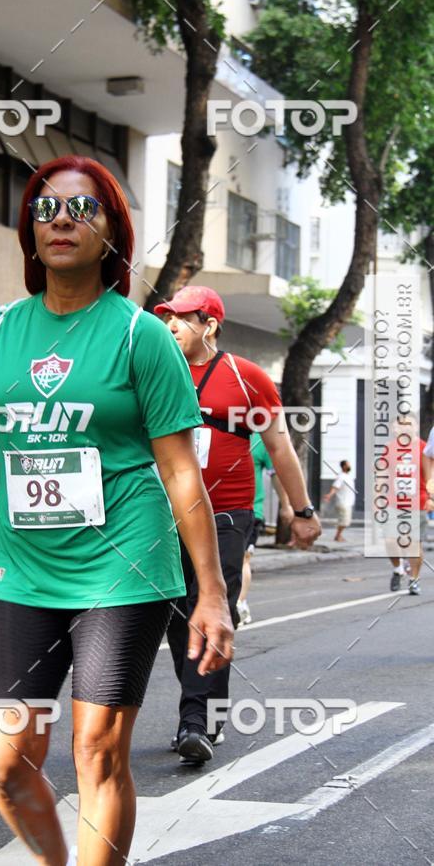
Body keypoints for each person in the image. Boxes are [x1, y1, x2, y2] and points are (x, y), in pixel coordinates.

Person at [0, 156, 232, 866]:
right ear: (29, 230)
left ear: (112, 232)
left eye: (83, 210)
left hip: (125, 563)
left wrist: (212, 592)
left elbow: (179, 470)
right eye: (47, 209)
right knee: (3, 761)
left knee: (97, 749)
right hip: (21, 569)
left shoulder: (141, 336)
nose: (61, 220)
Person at [155, 285, 321, 764]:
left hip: (227, 514)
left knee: (211, 610)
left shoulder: (245, 377)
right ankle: (207, 711)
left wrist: (303, 511)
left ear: (210, 325)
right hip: (161, 517)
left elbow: (280, 445)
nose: (170, 325)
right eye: (167, 316)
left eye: (182, 317)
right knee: (174, 619)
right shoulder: (154, 369)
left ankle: (196, 723)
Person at [238, 433, 294, 626]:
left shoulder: (259, 440)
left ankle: (239, 602)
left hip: (251, 510)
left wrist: (286, 504)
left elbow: (275, 473)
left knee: (244, 557)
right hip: (212, 508)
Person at [387, 415, 432, 595]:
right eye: (401, 424)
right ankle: (398, 569)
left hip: (418, 502)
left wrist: (431, 497)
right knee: (391, 541)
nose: (405, 427)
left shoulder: (424, 448)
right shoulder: (390, 448)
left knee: (414, 543)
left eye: (409, 423)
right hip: (393, 502)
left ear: (416, 426)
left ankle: (414, 579)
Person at [323, 460, 356, 542]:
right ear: (344, 466)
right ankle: (338, 536)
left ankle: (338, 535)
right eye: (348, 464)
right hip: (343, 502)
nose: (349, 466)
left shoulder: (348, 476)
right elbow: (335, 487)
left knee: (345, 521)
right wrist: (329, 495)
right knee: (344, 521)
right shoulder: (341, 476)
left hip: (347, 502)